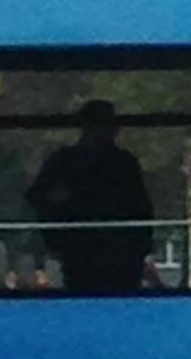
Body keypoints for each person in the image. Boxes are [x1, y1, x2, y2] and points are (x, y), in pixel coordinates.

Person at [25, 101, 154, 296]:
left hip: (121, 255)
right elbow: (36, 198)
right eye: (98, 125)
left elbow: (141, 209)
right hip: (80, 254)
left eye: (107, 125)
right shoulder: (65, 161)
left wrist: (139, 247)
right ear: (86, 127)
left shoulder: (123, 163)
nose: (105, 131)